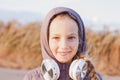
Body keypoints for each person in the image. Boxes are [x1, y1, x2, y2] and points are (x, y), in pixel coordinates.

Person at [23, 7, 102, 80]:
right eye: (56, 38)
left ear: (80, 41)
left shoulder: (93, 77)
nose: (64, 46)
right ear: (46, 41)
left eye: (71, 38)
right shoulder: (31, 77)